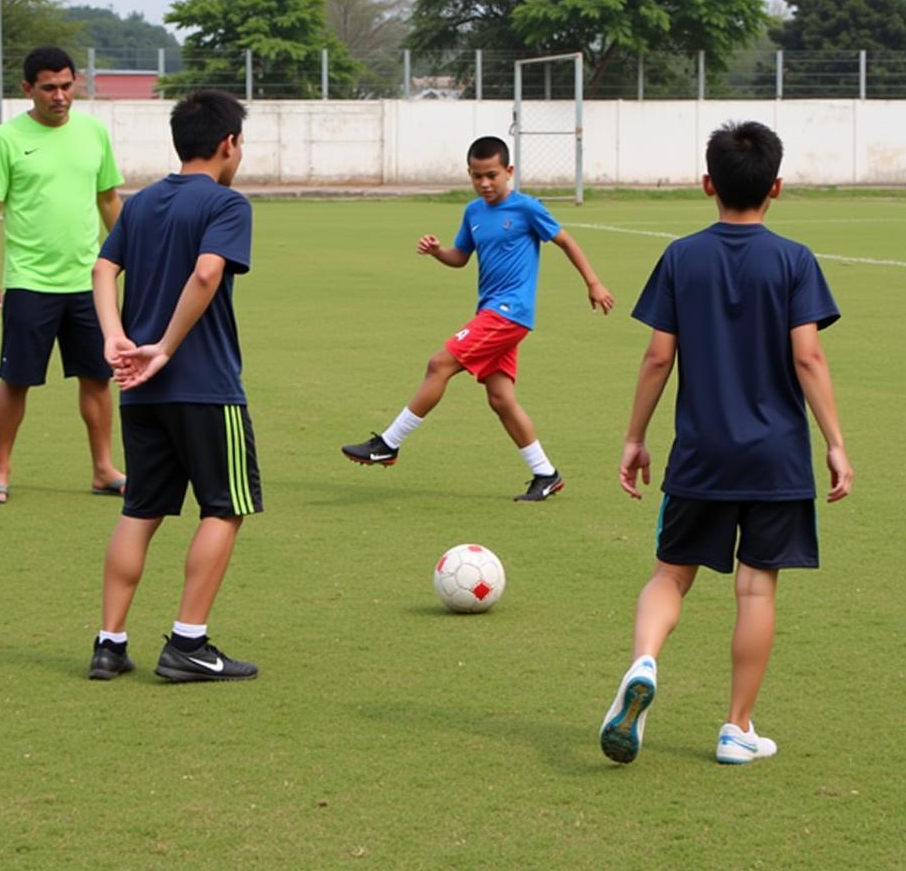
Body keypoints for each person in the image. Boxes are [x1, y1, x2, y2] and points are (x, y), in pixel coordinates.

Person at [599, 120, 854, 766]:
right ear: (778, 186)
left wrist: (635, 437)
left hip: (701, 454)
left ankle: (645, 663)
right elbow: (809, 358)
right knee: (756, 590)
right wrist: (835, 443)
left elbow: (659, 357)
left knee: (669, 574)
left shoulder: (682, 256)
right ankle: (737, 728)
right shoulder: (794, 260)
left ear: (707, 183)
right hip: (776, 458)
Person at [87, 89, 261, 683]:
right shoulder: (227, 205)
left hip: (138, 389)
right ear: (227, 144)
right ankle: (189, 642)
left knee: (140, 511)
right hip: (205, 386)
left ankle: (109, 643)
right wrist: (163, 346)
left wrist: (116, 336)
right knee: (225, 508)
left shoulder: (141, 204)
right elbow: (208, 271)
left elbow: (103, 268)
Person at [342, 135, 614, 501]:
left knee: (439, 364)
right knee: (500, 398)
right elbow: (461, 257)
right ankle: (545, 473)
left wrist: (593, 283)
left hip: (509, 313)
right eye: (476, 176)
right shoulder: (473, 212)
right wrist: (438, 251)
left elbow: (565, 241)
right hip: (490, 311)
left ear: (509, 171)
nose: (485, 183)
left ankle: (389, 443)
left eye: (492, 175)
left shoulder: (527, 208)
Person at [0, 45, 126, 504]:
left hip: (87, 282)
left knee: (97, 378)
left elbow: (108, 200)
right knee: (16, 379)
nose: (59, 96)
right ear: (28, 89)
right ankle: (0, 470)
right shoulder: (7, 138)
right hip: (28, 282)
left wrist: (132, 254)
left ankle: (103, 469)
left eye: (66, 85)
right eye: (48, 88)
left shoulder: (94, 133)